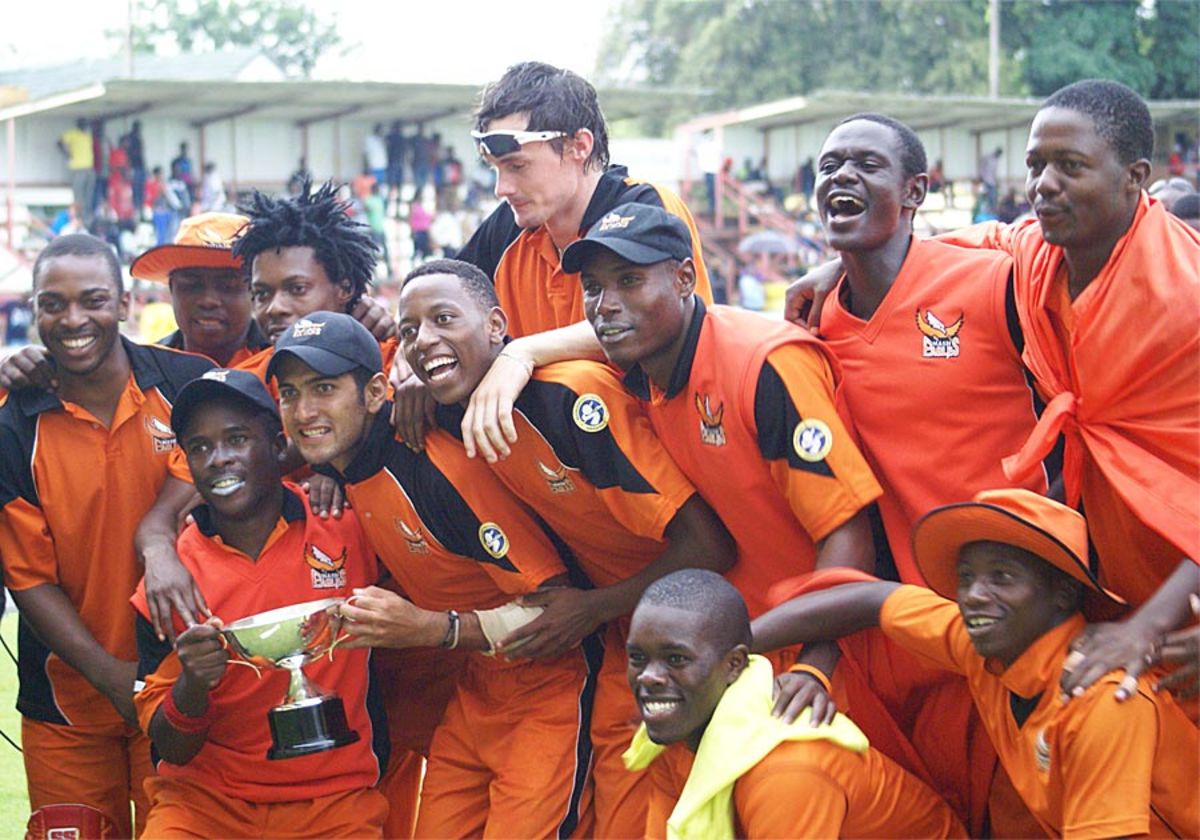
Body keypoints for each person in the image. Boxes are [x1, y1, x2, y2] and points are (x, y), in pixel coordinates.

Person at [397, 258, 736, 837]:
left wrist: (591, 607)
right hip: (616, 637)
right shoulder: (443, 414)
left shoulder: (570, 400)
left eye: (444, 319)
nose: (424, 340)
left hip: (684, 627)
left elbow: (708, 546)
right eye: (408, 332)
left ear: (498, 326)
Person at [269, 311, 595, 838]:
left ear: (376, 392)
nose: (304, 411)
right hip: (476, 692)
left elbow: (557, 610)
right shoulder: (347, 467)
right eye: (289, 394)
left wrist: (433, 629)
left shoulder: (437, 468)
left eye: (324, 389)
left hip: (552, 690)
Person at [936, 80, 1200, 697]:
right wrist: (838, 265)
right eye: (1036, 164)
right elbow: (989, 237)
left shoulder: (1186, 298)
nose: (1044, 183)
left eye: (1070, 166)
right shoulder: (1039, 259)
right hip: (1113, 586)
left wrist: (1153, 625)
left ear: (1135, 177)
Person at [753, 488, 1199, 838]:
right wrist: (735, 644)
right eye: (967, 577)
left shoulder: (1104, 701)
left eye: (1002, 577)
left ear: (1062, 593)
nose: (975, 594)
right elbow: (872, 600)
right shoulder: (982, 644)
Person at [0, 234, 214, 836]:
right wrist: (109, 676)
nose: (73, 320)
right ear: (34, 311)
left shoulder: (188, 385)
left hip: (183, 688)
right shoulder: (14, 423)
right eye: (53, 304)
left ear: (123, 302)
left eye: (92, 300)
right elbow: (30, 579)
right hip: (67, 705)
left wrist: (157, 532)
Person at [405, 61, 713, 461]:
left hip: (672, 448)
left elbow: (656, 323)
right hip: (567, 463)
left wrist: (523, 354)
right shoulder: (511, 226)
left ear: (579, 146)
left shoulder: (644, 206)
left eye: (517, 166)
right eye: (496, 169)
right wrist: (410, 362)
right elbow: (435, 295)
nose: (502, 188)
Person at [131, 368, 388, 837]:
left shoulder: (347, 524)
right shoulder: (169, 581)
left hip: (333, 801)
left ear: (277, 444)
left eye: (236, 439)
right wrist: (193, 683)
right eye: (200, 448)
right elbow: (170, 748)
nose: (218, 459)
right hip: (206, 806)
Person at [623, 569, 963, 839]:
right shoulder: (676, 733)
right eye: (638, 657)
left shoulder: (785, 770)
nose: (649, 677)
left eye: (677, 659)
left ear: (734, 665)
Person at [57, 118, 95, 226]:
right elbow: (59, 143)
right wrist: (68, 155)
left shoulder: (88, 135)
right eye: (83, 124)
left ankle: (87, 221)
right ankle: (78, 220)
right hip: (78, 168)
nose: (85, 126)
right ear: (79, 125)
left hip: (89, 168)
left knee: (88, 197)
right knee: (79, 198)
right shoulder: (72, 133)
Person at [363, 124, 388, 188]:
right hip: (373, 166)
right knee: (373, 185)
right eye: (380, 130)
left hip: (383, 166)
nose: (381, 132)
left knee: (382, 184)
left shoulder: (383, 139)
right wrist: (366, 166)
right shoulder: (369, 139)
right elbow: (365, 154)